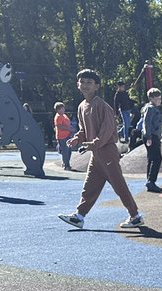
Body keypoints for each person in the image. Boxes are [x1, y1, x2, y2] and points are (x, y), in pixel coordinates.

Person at [57, 69, 144, 230]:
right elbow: (83, 130)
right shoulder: (82, 106)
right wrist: (77, 138)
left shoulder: (102, 106)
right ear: (78, 84)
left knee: (118, 184)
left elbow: (107, 130)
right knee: (90, 186)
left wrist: (93, 144)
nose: (85, 85)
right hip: (96, 153)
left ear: (97, 86)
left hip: (107, 151)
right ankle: (79, 216)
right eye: (82, 82)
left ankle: (135, 215)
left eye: (89, 82)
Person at [139, 88, 162, 192]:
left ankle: (150, 181)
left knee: (151, 158)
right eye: (157, 98)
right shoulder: (150, 108)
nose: (159, 100)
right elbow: (147, 123)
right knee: (157, 158)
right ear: (151, 98)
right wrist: (149, 137)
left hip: (154, 135)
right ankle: (151, 181)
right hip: (151, 136)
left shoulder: (153, 108)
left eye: (160, 98)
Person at [54, 101, 75, 170]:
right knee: (65, 151)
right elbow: (59, 126)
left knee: (69, 151)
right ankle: (66, 165)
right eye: (62, 108)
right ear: (58, 109)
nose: (64, 109)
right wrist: (69, 129)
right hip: (62, 137)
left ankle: (65, 163)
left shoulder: (64, 116)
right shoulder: (58, 117)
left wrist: (71, 129)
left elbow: (68, 124)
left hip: (68, 136)